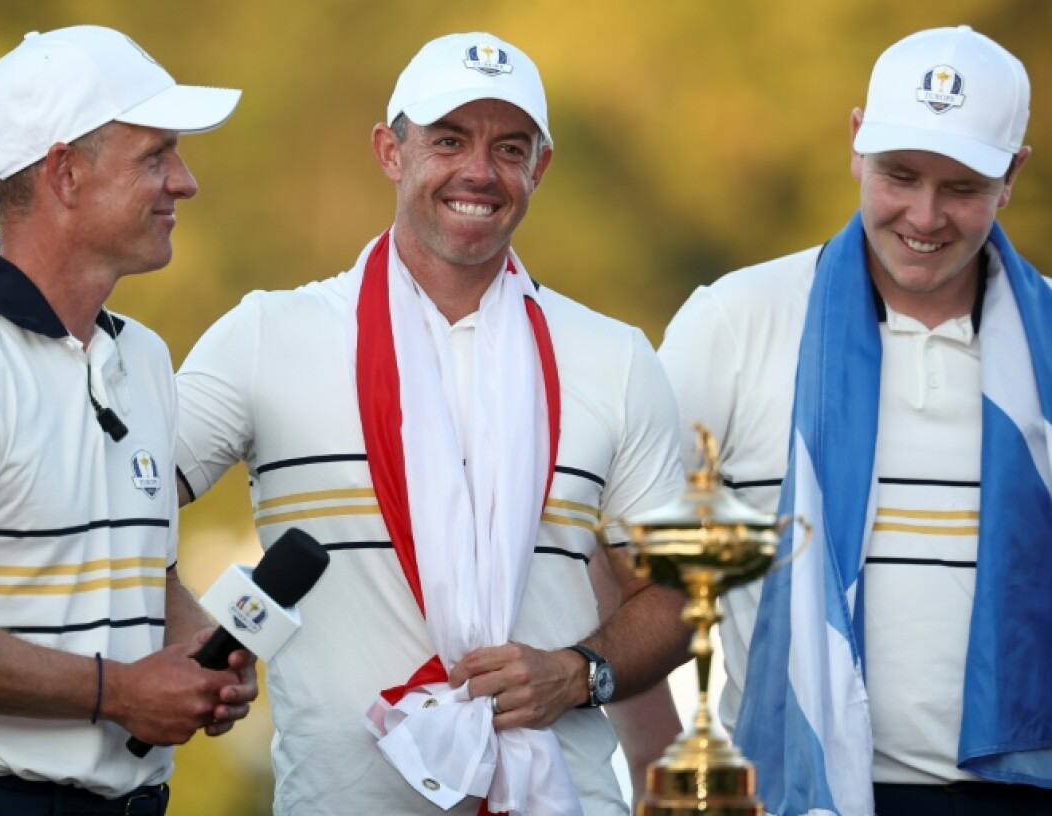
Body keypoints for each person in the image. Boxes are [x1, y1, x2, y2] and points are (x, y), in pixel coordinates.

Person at [172, 31, 691, 815]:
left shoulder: (613, 356)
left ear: (540, 168)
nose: (479, 171)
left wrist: (578, 671)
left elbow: (676, 594)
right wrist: (189, 631)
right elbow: (117, 501)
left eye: (509, 148)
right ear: (391, 150)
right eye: (449, 140)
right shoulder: (267, 335)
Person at [0, 25, 254, 814]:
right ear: (66, 173)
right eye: (156, 156)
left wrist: (198, 650)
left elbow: (147, 572)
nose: (185, 182)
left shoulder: (144, 358)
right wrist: (120, 693)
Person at [658, 25, 1052, 816]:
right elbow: (629, 568)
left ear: (1012, 175)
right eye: (900, 175)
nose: (925, 215)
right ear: (855, 141)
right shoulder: (736, 320)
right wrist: (662, 768)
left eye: (963, 187)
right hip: (788, 792)